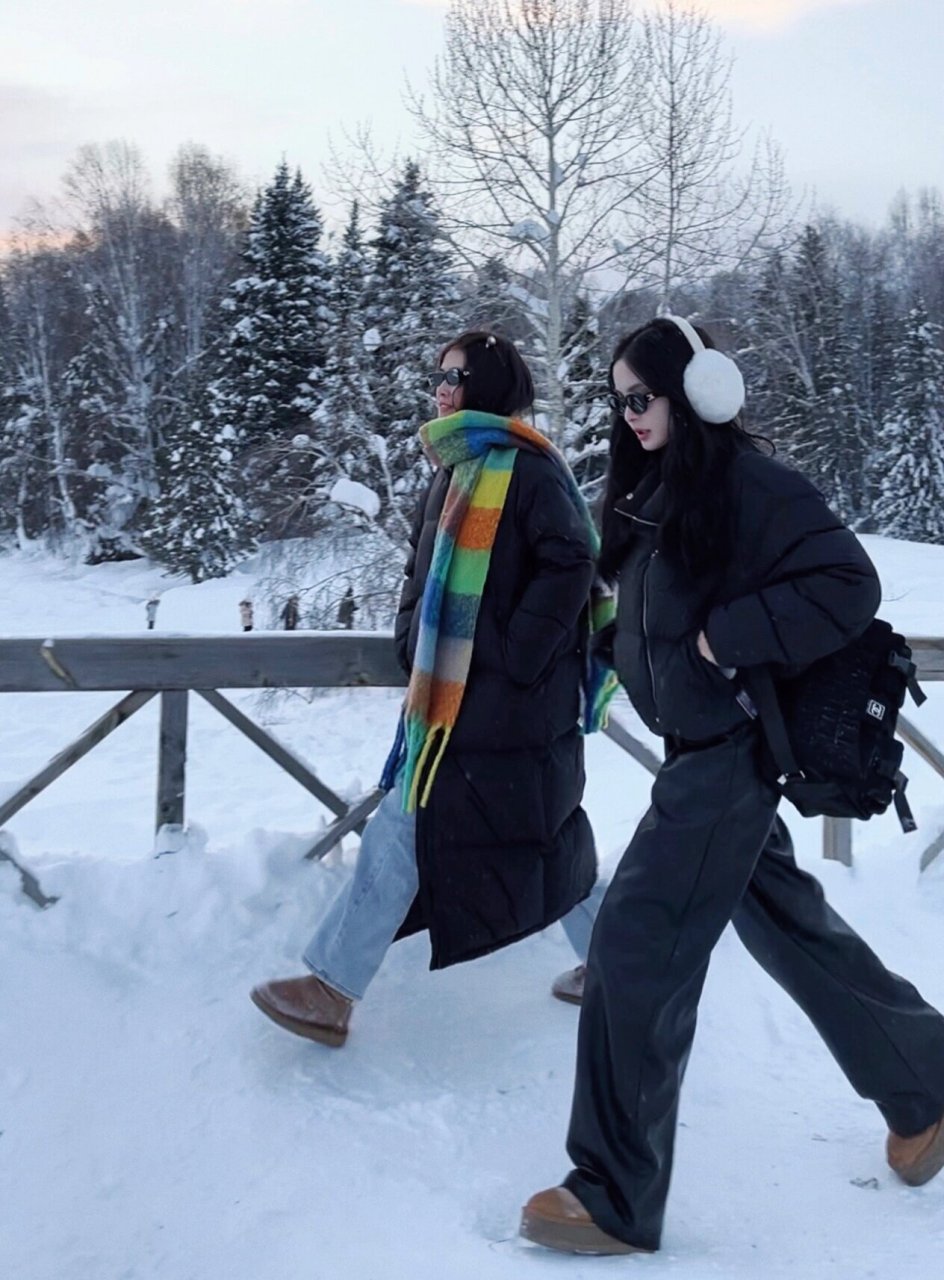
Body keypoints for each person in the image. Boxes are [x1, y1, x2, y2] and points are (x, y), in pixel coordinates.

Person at [520, 315, 944, 1256]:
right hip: (698, 751)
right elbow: (648, 607)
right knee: (792, 929)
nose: (629, 415)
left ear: (698, 389)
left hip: (731, 758)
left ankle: (614, 1195)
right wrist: (608, 650)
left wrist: (723, 642)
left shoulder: (752, 484)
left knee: (633, 945)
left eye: (644, 395)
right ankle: (929, 1083)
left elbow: (847, 583)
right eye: (619, 399)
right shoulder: (657, 491)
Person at [250, 330, 617, 1048]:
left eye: (455, 375)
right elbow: (427, 576)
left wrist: (513, 650)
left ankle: (330, 990)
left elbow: (576, 563)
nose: (441, 387)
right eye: (440, 374)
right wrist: (409, 633)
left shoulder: (527, 470)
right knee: (532, 837)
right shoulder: (454, 467)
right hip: (456, 704)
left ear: (486, 387)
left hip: (507, 707)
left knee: (413, 826)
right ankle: (623, 964)